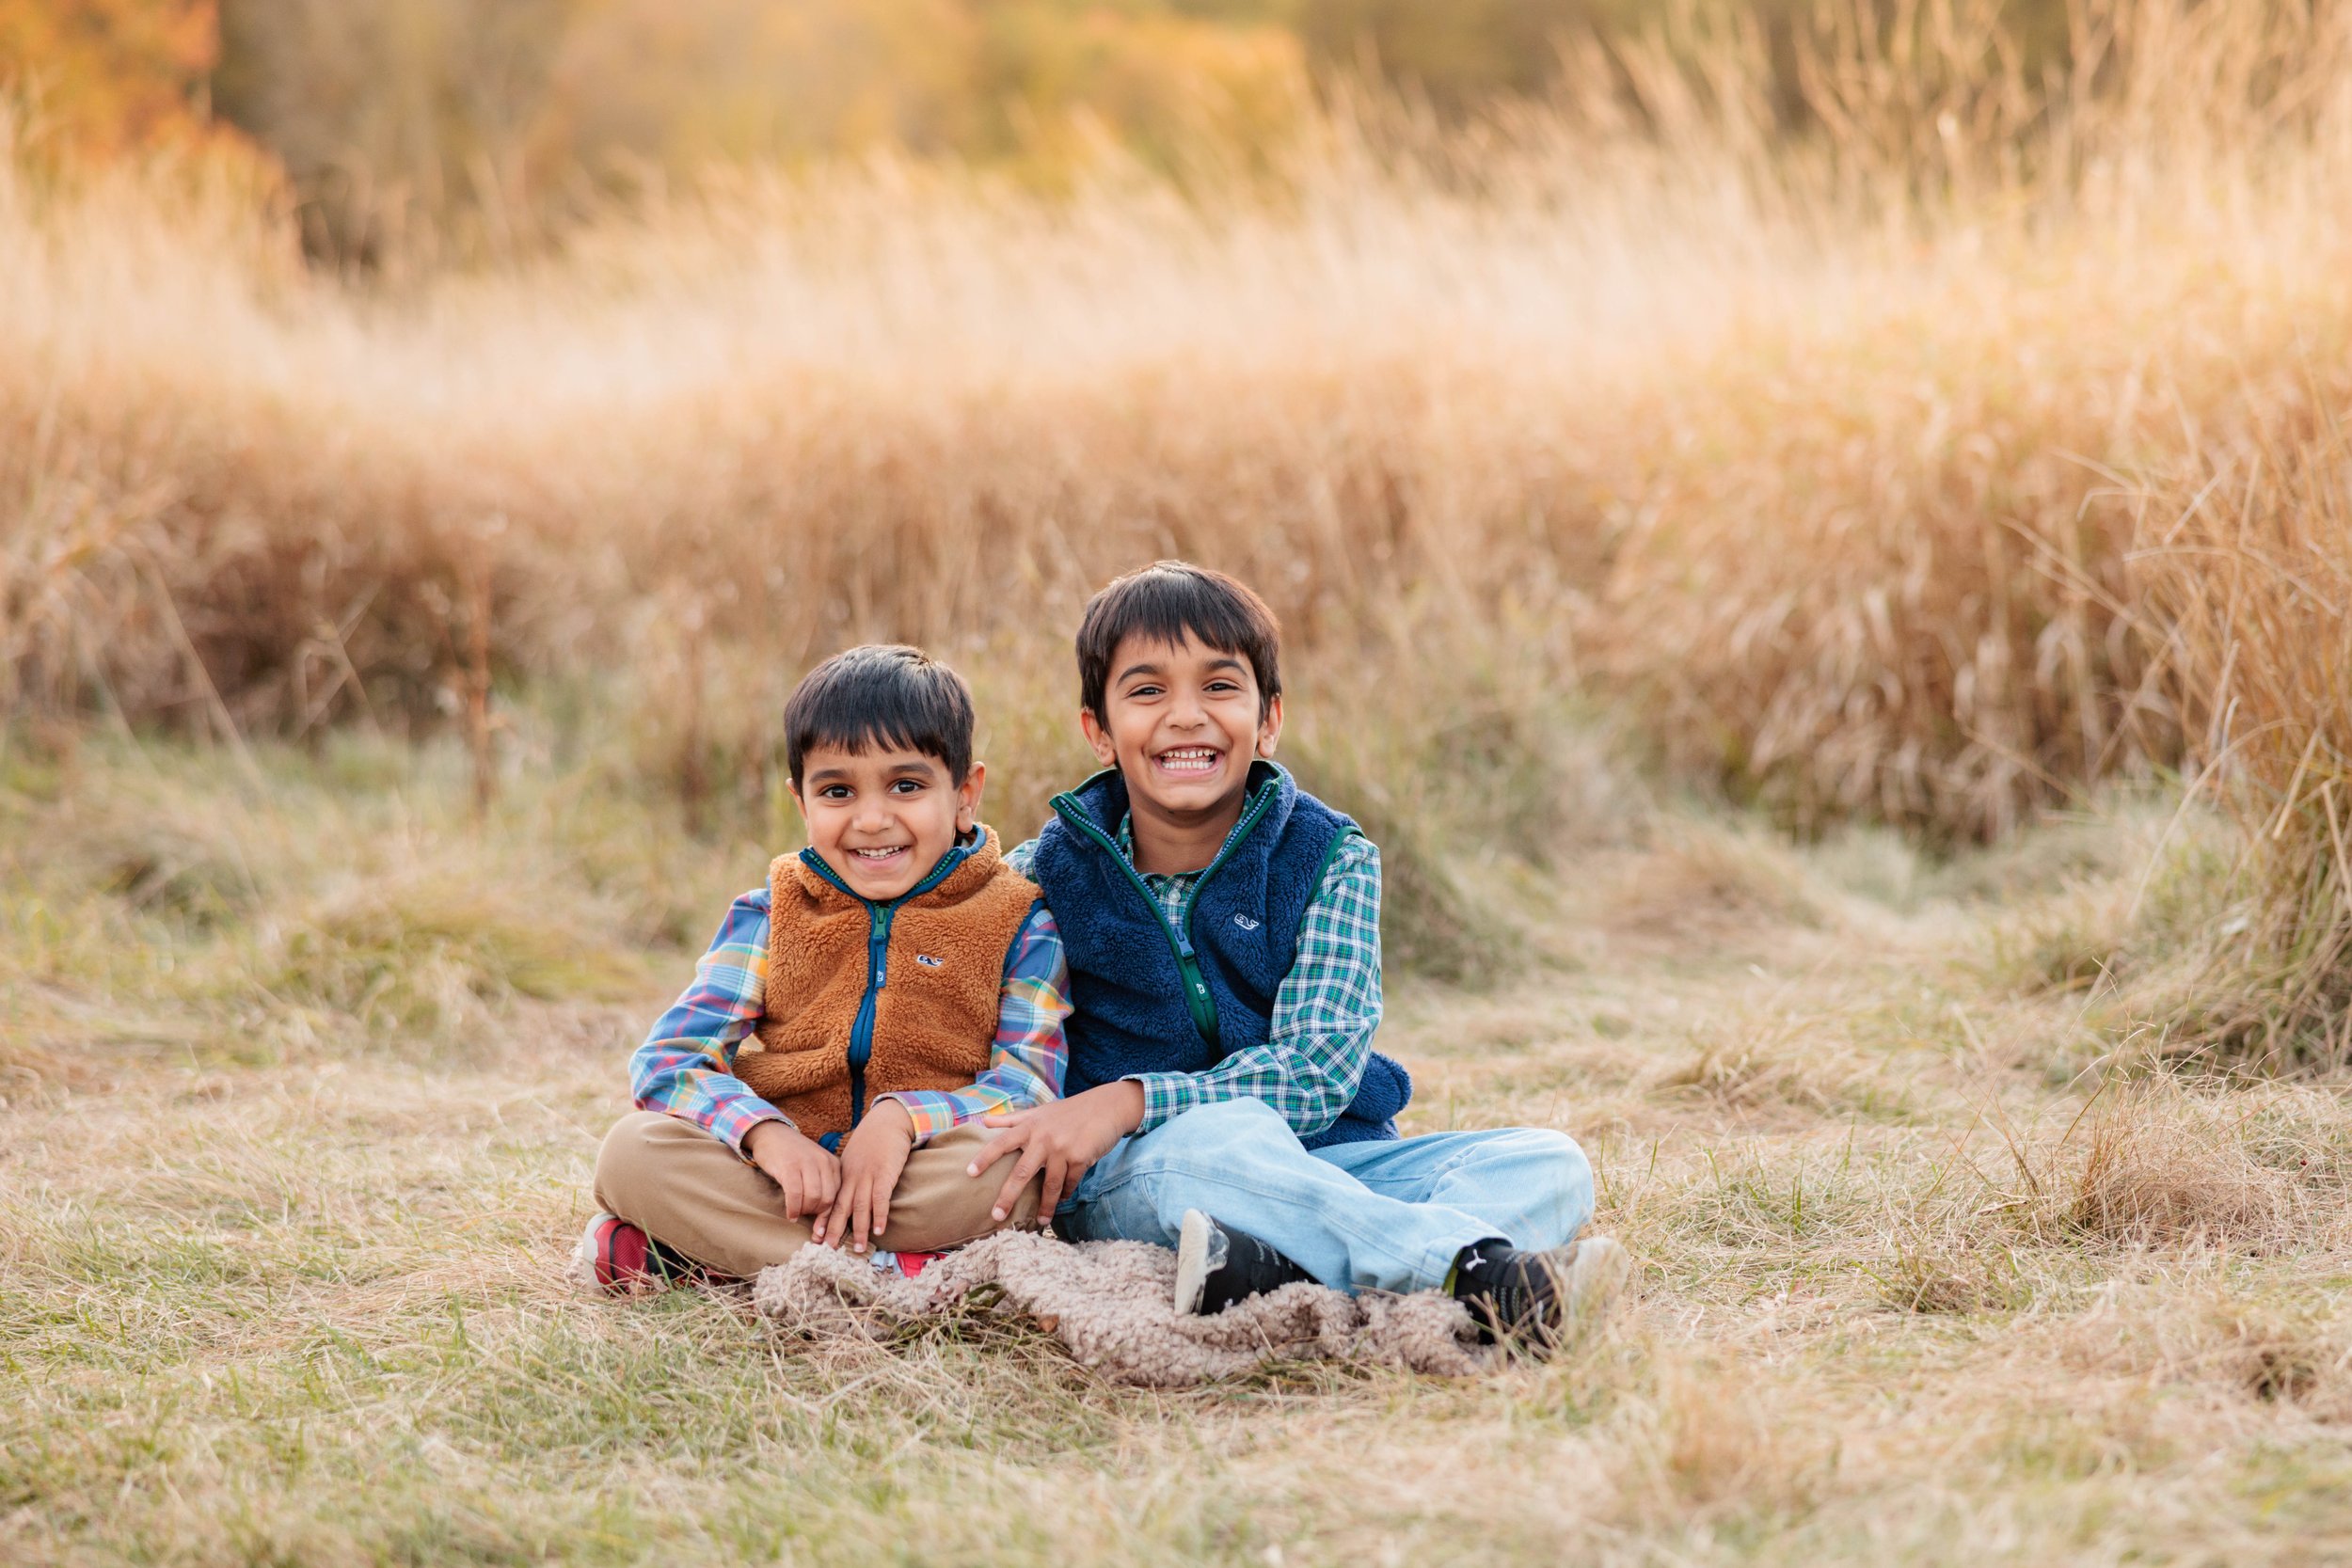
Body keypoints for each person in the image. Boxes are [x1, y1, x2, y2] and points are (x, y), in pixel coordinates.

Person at [975, 562, 1628, 1347]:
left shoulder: (1329, 857)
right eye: (1147, 691)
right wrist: (1117, 1116)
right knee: (1217, 1140)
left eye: (1220, 686)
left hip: (1329, 1160)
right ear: (1099, 731)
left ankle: (1268, 1268)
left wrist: (1130, 1095)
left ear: (1269, 717)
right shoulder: (1045, 876)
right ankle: (1474, 1272)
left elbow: (1317, 1070)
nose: (1186, 717)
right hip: (1145, 1170)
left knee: (1548, 1162)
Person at [577, 645, 1070, 1292]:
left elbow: (1029, 1087)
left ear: (964, 794)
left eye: (906, 785)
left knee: (1024, 1170)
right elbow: (670, 1061)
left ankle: (716, 1260)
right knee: (630, 1153)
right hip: (788, 1180)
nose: (871, 818)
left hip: (922, 1174)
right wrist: (765, 1135)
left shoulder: (1019, 918)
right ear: (801, 802)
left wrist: (902, 1120)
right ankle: (902, 1271)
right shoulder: (771, 913)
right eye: (838, 790)